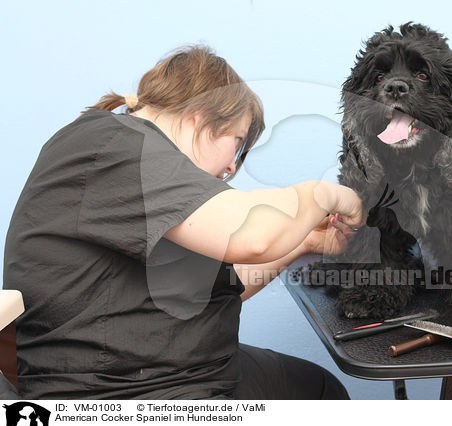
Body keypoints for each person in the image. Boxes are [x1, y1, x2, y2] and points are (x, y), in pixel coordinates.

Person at [3, 45, 364, 400]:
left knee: (319, 389)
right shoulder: (116, 145)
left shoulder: (142, 171)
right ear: (200, 118)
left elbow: (220, 285)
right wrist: (325, 194)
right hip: (119, 394)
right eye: (237, 142)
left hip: (170, 372)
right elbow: (253, 236)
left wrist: (303, 243)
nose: (231, 168)